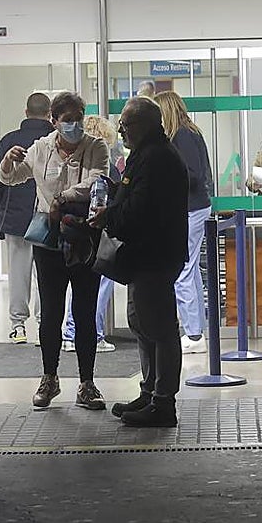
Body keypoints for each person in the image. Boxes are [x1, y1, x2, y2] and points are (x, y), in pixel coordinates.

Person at [0, 91, 110, 410]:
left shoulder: (95, 146)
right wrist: (9, 160)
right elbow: (11, 178)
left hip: (83, 234)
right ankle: (49, 378)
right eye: (67, 120)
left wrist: (63, 198)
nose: (74, 125)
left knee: (85, 311)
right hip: (48, 238)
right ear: (54, 120)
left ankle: (87, 384)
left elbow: (96, 180)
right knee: (50, 312)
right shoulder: (41, 147)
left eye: (78, 118)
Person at [92, 96, 188, 428]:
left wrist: (110, 214)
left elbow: (141, 209)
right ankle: (149, 393)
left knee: (159, 329)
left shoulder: (157, 158)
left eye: (126, 125)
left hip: (155, 256)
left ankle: (163, 403)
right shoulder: (144, 155)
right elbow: (134, 197)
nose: (121, 131)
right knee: (143, 326)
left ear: (146, 124)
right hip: (145, 256)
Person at [0, 93, 53, 344]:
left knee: (18, 272)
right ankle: (44, 323)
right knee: (46, 274)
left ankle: (17, 326)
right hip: (47, 217)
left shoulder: (10, 141)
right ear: (50, 114)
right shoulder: (53, 141)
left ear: (26, 112)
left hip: (15, 217)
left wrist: (2, 205)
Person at [154, 91, 212, 355]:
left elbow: (192, 175)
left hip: (189, 208)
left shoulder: (182, 136)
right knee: (190, 272)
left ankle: (193, 332)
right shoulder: (190, 132)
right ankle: (197, 329)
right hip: (194, 207)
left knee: (183, 272)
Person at [62, 115, 122, 353]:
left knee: (78, 288)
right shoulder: (101, 171)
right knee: (99, 286)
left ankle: (70, 333)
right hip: (97, 235)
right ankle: (93, 334)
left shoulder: (77, 165)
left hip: (76, 233)